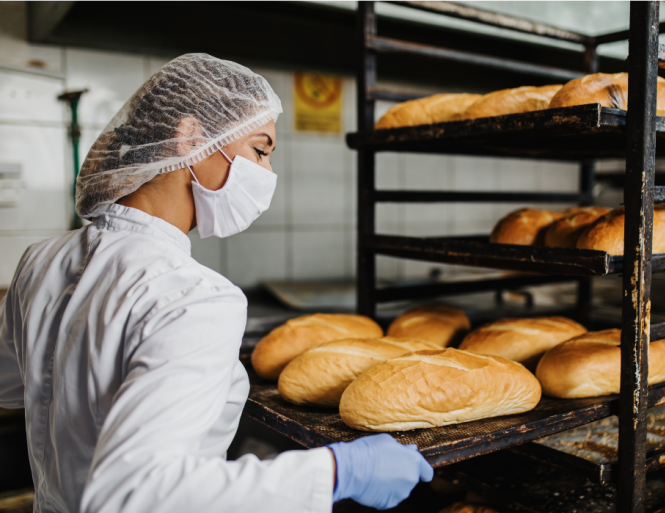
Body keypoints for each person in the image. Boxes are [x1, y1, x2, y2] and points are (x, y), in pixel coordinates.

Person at [0, 54, 432, 513]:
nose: (267, 174)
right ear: (191, 137)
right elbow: (132, 495)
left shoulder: (41, 259)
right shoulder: (194, 297)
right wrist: (335, 472)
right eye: (260, 150)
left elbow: (11, 385)